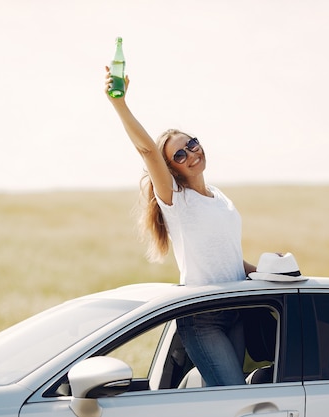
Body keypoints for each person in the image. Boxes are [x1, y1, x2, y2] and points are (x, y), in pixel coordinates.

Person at [104, 68, 256, 387]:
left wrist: (270, 272)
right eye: (179, 154)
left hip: (237, 307)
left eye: (192, 144)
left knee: (227, 391)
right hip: (204, 318)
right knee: (234, 393)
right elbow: (147, 150)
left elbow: (228, 257)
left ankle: (189, 389)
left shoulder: (219, 197)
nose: (191, 153)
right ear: (170, 168)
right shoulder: (177, 201)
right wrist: (119, 102)